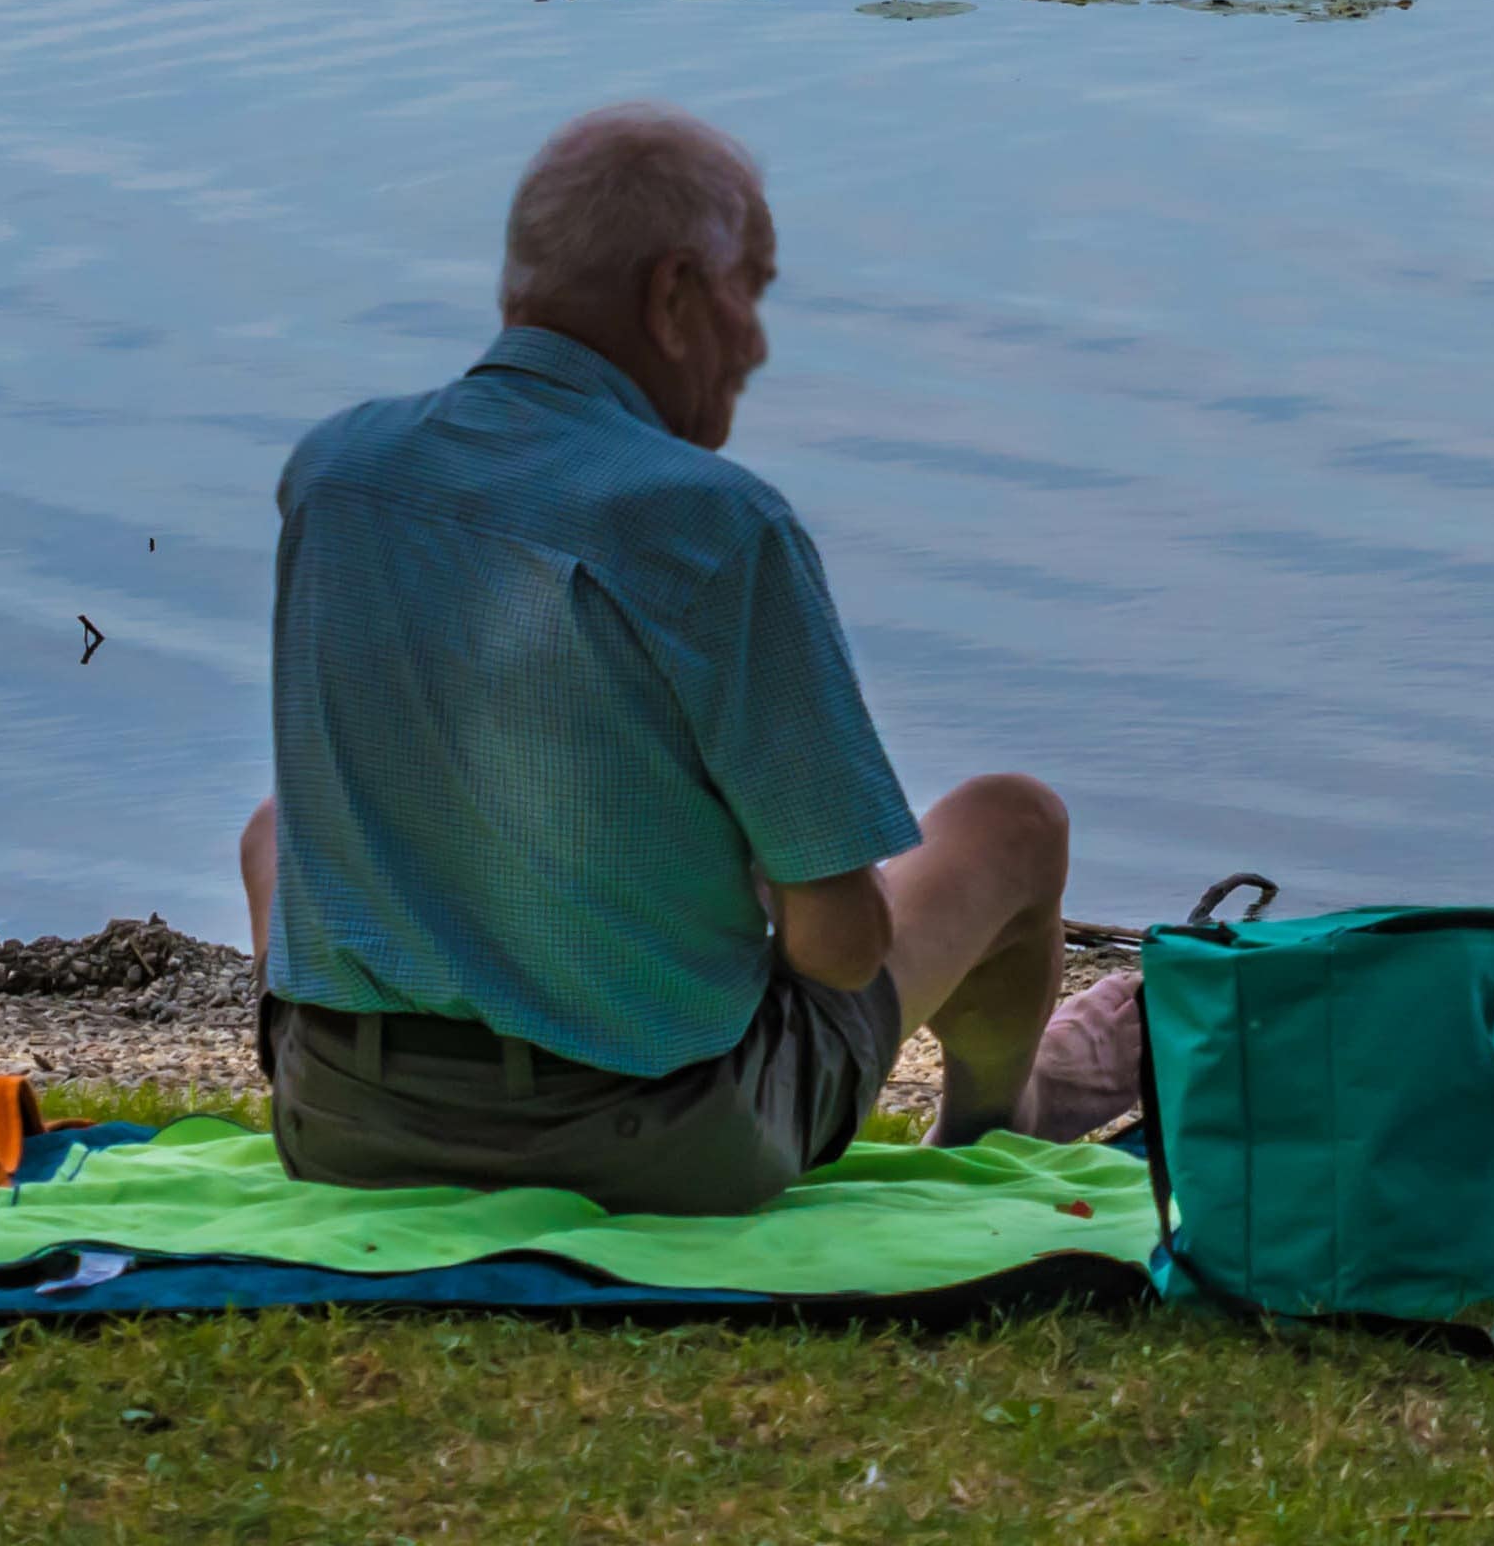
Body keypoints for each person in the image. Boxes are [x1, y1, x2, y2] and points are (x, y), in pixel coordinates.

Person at [241, 101, 1134, 1211]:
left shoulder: (331, 475)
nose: (756, 340)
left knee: (278, 826)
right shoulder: (714, 523)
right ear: (671, 295)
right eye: (748, 290)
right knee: (1015, 819)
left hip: (342, 1125)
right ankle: (997, 1124)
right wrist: (761, 873)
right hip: (652, 1139)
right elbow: (841, 949)